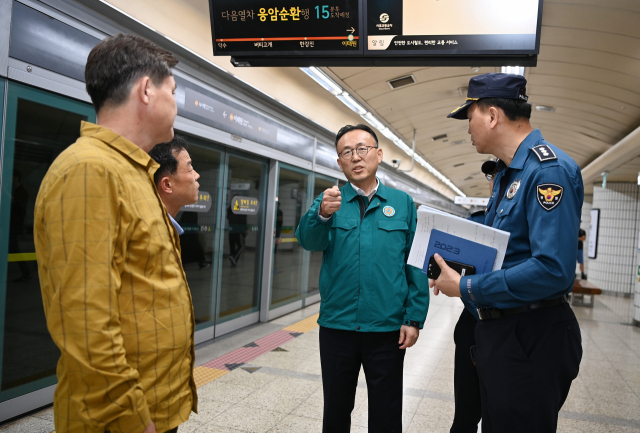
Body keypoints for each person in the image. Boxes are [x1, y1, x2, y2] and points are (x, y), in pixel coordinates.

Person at [34, 34, 197, 433]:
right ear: (146, 90)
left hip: (155, 405)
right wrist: (131, 416)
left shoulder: (133, 173)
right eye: (172, 91)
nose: (176, 105)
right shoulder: (91, 171)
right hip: (120, 419)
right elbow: (86, 323)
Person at [432, 73, 583, 433]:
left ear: (492, 116)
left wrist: (467, 288)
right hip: (500, 329)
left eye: (470, 118)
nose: (467, 128)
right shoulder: (506, 175)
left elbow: (552, 270)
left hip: (532, 334)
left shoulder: (549, 172)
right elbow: (509, 250)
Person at [296, 124, 430, 433]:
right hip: (337, 326)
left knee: (386, 410)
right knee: (336, 409)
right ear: (339, 162)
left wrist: (414, 317)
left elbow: (416, 263)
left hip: (387, 328)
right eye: (346, 152)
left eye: (362, 149)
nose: (355, 157)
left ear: (379, 155)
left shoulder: (402, 203)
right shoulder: (330, 199)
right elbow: (308, 240)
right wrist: (323, 216)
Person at [449, 160, 496, 433]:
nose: (495, 181)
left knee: (500, 415)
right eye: (492, 176)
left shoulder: (525, 226)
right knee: (465, 414)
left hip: (513, 327)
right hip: (473, 324)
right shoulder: (475, 224)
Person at [149, 135, 201, 236]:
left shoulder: (165, 228)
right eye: (190, 170)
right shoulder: (153, 234)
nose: (197, 175)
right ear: (167, 185)